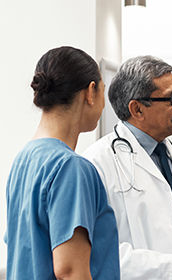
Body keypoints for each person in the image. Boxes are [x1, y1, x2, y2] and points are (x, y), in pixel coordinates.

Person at [82, 56, 172, 280]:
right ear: (137, 109)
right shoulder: (96, 163)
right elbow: (94, 253)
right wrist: (170, 268)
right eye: (171, 98)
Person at [4, 46, 119, 279]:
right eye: (103, 94)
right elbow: (70, 271)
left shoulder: (24, 159)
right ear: (90, 92)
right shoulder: (71, 168)